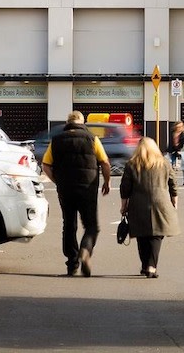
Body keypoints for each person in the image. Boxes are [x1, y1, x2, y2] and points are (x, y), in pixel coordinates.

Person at [42, 111, 111, 277]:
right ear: (82, 123)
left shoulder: (56, 140)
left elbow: (45, 165)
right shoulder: (92, 139)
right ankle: (85, 250)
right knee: (91, 225)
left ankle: (72, 263)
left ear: (68, 123)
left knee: (69, 224)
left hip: (66, 188)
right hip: (87, 188)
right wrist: (106, 182)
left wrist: (57, 181)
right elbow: (105, 163)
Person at [119, 137, 180, 278]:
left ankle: (145, 265)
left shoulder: (132, 164)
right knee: (157, 235)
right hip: (161, 202)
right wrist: (174, 201)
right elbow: (173, 183)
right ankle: (151, 266)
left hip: (138, 203)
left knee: (142, 235)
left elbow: (125, 187)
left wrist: (124, 205)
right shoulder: (164, 163)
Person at [166, 122, 184, 186]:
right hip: (174, 150)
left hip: (183, 151)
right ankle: (172, 181)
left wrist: (181, 150)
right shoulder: (173, 133)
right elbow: (170, 143)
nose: (178, 128)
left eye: (180, 127)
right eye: (177, 127)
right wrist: (168, 150)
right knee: (172, 166)